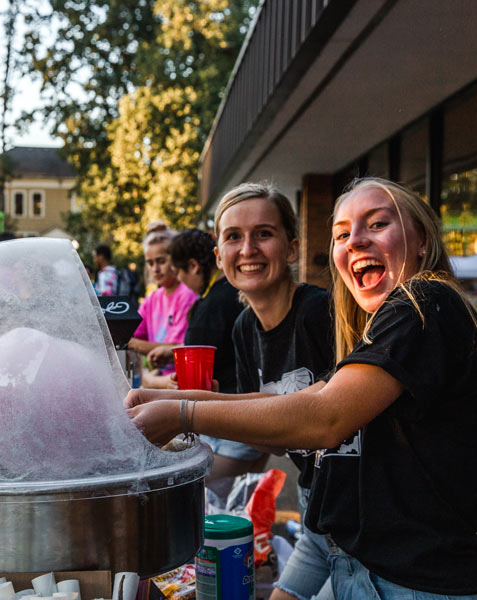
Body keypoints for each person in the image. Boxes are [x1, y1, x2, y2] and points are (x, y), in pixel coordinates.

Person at [125, 177, 477, 597]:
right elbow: (299, 402)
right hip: (346, 547)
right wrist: (171, 398)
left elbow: (323, 418)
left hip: (414, 579)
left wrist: (180, 413)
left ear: (422, 240)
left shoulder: (423, 302)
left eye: (376, 224)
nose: (355, 241)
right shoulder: (369, 322)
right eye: (342, 233)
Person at [145, 183, 336, 598]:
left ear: (292, 248)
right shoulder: (244, 328)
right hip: (317, 511)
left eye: (263, 234)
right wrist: (210, 400)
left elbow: (322, 421)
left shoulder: (321, 312)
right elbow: (276, 438)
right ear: (219, 256)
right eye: (233, 237)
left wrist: (191, 410)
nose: (247, 248)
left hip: (362, 523)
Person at [164, 228, 267, 481]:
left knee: (186, 483)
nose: (180, 281)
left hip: (231, 430)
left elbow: (193, 371)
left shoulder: (209, 307)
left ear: (193, 266)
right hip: (260, 420)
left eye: (179, 272)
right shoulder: (240, 295)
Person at [128, 225, 198, 388]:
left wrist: (131, 343)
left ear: (175, 259)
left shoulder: (186, 294)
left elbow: (177, 348)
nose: (155, 269)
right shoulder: (152, 298)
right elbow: (131, 331)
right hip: (159, 381)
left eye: (161, 261)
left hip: (181, 382)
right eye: (150, 263)